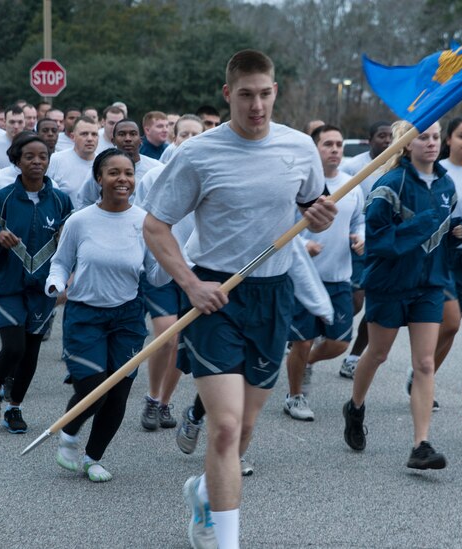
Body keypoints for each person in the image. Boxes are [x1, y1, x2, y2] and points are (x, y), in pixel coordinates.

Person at [141, 49, 335, 549]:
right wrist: (190, 284)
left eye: (265, 94)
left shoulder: (299, 148)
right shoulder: (197, 153)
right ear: (228, 94)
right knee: (224, 429)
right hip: (215, 294)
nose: (256, 106)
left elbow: (310, 203)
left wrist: (319, 215)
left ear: (276, 92)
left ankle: (206, 492)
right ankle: (224, 540)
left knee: (245, 428)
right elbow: (155, 226)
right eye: (246, 95)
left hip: (273, 294)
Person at [342, 120, 462, 470]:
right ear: (406, 145)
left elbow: (443, 229)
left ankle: (421, 444)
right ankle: (354, 407)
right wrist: (424, 222)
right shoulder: (389, 184)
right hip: (389, 283)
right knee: (378, 353)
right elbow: (378, 242)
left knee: (425, 363)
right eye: (422, 138)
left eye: (434, 137)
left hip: (429, 286)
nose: (430, 143)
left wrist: (460, 232)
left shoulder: (446, 184)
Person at [47, 149, 164, 482]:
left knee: (119, 392)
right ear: (98, 178)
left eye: (128, 173)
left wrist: (172, 265)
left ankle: (92, 457)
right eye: (114, 173)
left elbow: (154, 274)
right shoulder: (80, 220)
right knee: (94, 385)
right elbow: (60, 263)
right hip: (85, 314)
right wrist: (56, 286)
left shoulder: (144, 222)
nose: (122, 179)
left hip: (127, 316)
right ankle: (69, 435)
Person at [0, 132, 73, 433]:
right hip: (6, 284)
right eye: (29, 156)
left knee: (31, 352)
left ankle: (14, 407)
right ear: (17, 161)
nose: (37, 162)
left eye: (42, 156)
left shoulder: (60, 201)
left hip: (41, 290)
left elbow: (72, 243)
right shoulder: (1, 199)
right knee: (14, 348)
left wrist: (68, 277)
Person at [405, 118, 462, 410]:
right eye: (461, 136)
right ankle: (423, 373)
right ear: (449, 140)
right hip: (440, 254)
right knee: (451, 320)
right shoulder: (440, 171)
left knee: (452, 329)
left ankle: (422, 376)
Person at [284, 124, 364, 421]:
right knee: (302, 341)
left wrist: (360, 237)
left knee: (339, 342)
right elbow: (283, 228)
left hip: (339, 277)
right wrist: (304, 245)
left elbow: (359, 221)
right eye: (328, 144)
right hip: (304, 278)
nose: (335, 149)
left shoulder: (353, 184)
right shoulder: (302, 186)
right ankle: (294, 396)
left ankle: (306, 363)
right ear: (314, 149)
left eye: (339, 144)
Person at [133, 115, 203, 432]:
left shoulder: (211, 176)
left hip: (197, 271)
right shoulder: (155, 176)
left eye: (195, 135)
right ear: (173, 138)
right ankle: (151, 398)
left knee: (181, 342)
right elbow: (140, 222)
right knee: (167, 337)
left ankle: (163, 401)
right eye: (183, 134)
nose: (189, 140)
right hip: (161, 267)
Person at [338, 120, 393, 378]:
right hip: (357, 243)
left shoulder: (397, 166)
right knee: (356, 302)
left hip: (387, 246)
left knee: (375, 310)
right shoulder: (352, 166)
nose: (386, 141)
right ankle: (326, 332)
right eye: (381, 136)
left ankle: (354, 356)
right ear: (370, 139)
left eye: (390, 137)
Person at [74, 119, 162, 210]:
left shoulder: (156, 169)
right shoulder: (102, 167)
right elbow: (84, 201)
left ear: (141, 140)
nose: (128, 139)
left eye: (133, 134)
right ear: (113, 140)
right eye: (122, 134)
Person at [47, 116, 98, 203]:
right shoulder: (56, 160)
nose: (90, 139)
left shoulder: (103, 163)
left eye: (94, 134)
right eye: (84, 134)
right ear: (72, 137)